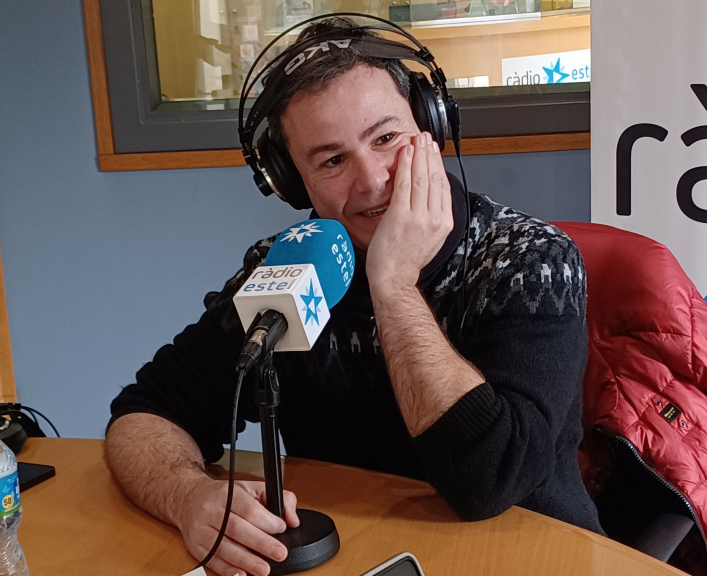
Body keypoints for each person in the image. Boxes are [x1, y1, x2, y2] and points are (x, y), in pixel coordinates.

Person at [105, 16, 600, 576]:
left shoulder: (532, 260)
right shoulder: (288, 271)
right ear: (293, 182)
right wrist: (186, 496)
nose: (371, 180)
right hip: (361, 560)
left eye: (386, 138)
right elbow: (145, 412)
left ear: (430, 126)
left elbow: (490, 483)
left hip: (528, 558)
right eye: (332, 160)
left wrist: (393, 284)